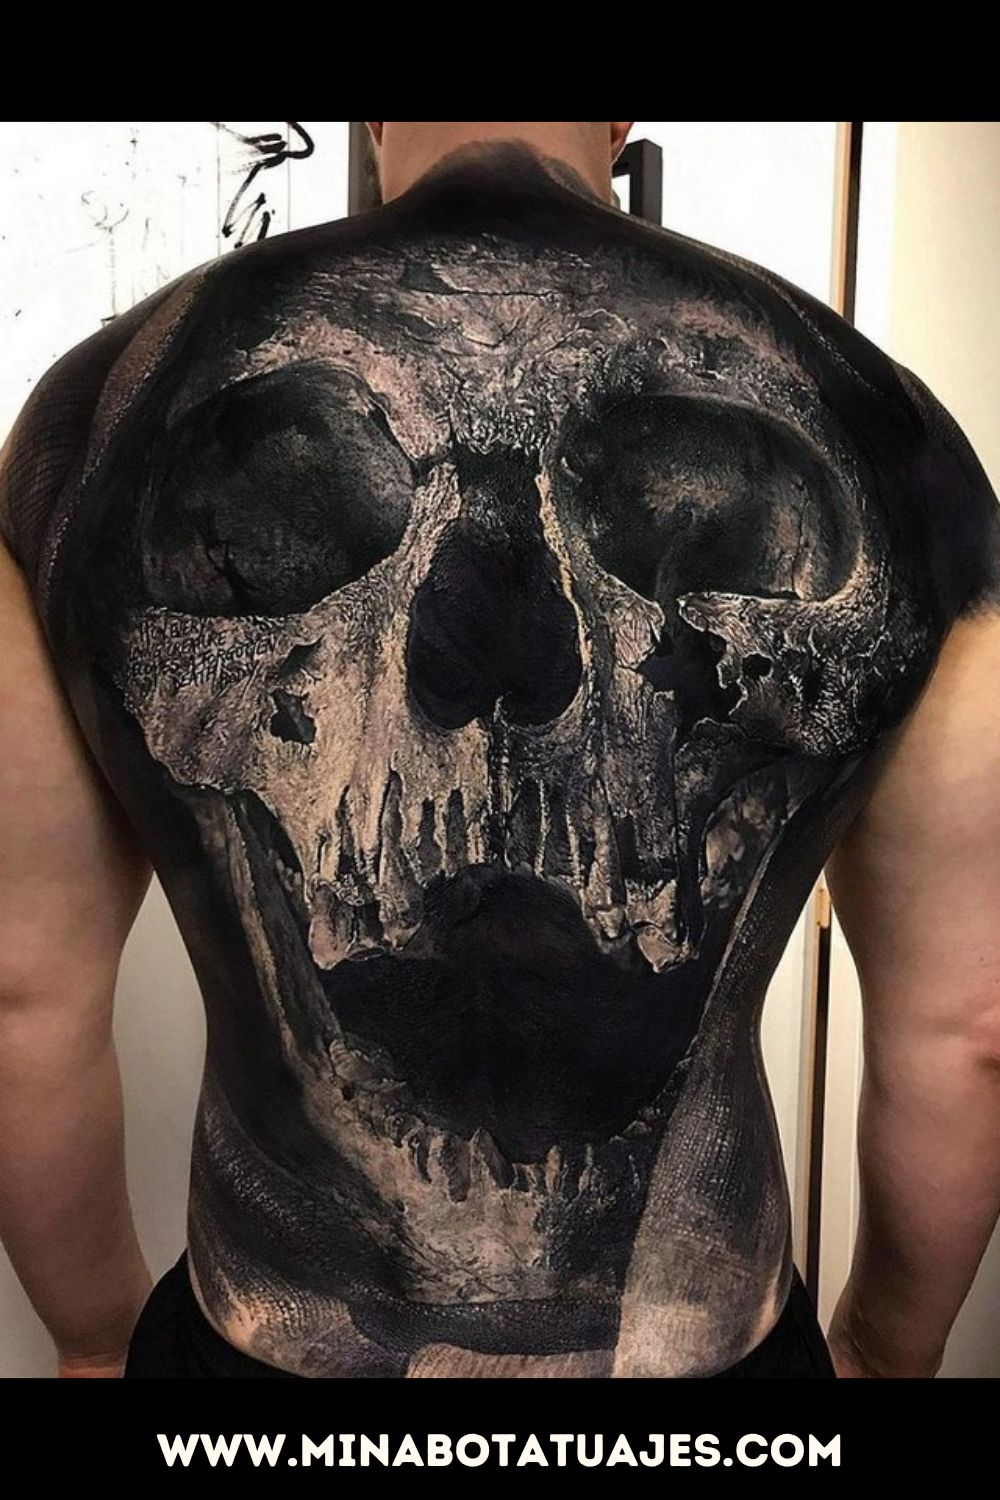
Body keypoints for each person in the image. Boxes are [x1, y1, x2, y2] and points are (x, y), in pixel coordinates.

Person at [1, 121, 999, 1382]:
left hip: (252, 1369)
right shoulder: (889, 423)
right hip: (716, 1372)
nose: (501, 668)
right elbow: (971, 1026)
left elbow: (17, 993)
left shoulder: (93, 408)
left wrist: (94, 1345)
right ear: (624, 119)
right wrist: (886, 1351)